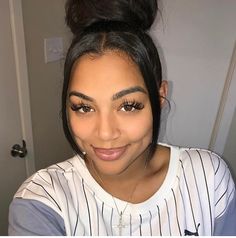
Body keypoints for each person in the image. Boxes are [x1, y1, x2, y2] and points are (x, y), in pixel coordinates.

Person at [8, 0, 236, 236]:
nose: (105, 133)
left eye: (128, 106)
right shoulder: (41, 202)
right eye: (84, 107)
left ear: (159, 97)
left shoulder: (208, 179)